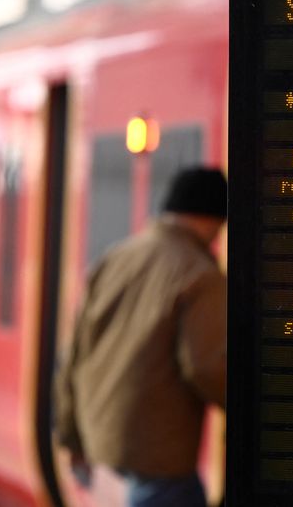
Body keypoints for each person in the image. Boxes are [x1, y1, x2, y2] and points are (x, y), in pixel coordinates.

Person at [54, 166, 227, 507]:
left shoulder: (115, 258)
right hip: (159, 451)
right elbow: (205, 367)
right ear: (214, 219)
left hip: (104, 438)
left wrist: (71, 438)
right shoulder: (200, 274)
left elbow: (73, 354)